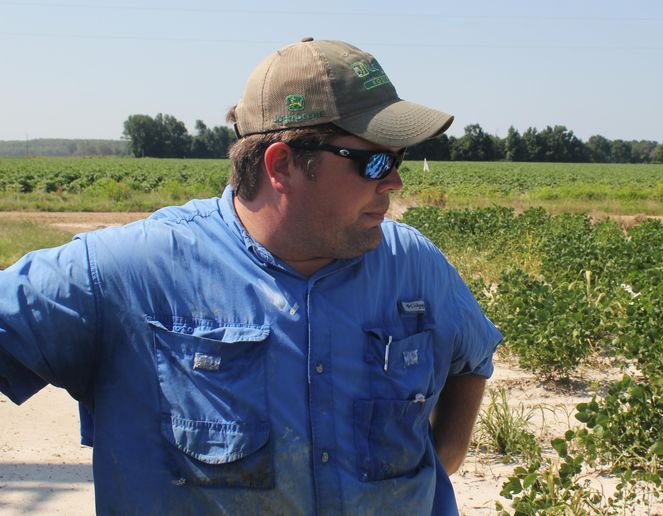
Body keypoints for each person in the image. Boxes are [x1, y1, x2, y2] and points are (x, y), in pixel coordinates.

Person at [0, 38, 501, 515]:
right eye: (375, 160)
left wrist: (436, 467)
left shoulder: (414, 266)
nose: (395, 180)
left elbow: (471, 359)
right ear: (282, 165)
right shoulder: (130, 272)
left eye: (400, 158)